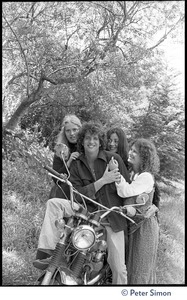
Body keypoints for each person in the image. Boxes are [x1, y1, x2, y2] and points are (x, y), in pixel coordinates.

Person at [33, 121, 132, 285]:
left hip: (111, 216)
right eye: (87, 138)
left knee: (119, 268)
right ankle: (50, 253)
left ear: (100, 141)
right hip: (85, 210)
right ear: (82, 141)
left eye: (95, 138)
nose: (91, 142)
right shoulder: (78, 163)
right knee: (54, 203)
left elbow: (127, 189)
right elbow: (77, 194)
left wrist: (129, 208)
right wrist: (103, 181)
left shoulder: (113, 159)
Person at [115, 138, 160, 284]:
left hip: (145, 229)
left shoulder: (146, 176)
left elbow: (126, 191)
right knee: (133, 267)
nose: (131, 153)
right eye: (131, 149)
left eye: (135, 151)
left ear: (144, 157)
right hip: (136, 227)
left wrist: (116, 174)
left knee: (140, 270)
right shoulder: (136, 174)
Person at [49, 114, 82, 199]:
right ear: (64, 132)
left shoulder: (86, 147)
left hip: (81, 192)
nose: (72, 134)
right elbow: (55, 178)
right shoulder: (60, 149)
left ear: (80, 130)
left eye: (75, 130)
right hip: (63, 191)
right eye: (68, 131)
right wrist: (68, 163)